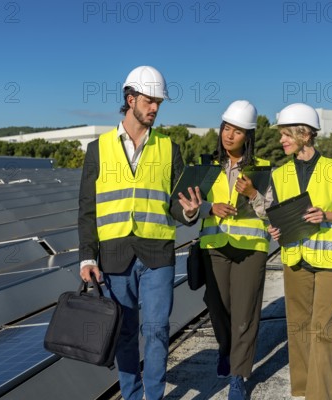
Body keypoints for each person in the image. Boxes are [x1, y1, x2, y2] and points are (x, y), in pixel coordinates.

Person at [77, 66, 201, 400]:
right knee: (125, 333)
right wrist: (87, 256)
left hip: (157, 253)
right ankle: (132, 395)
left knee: (158, 330)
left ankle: (155, 396)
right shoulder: (98, 149)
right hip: (114, 256)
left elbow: (176, 203)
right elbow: (87, 208)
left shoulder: (169, 148)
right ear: (130, 99)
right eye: (149, 101)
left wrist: (188, 212)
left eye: (159, 102)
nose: (155, 108)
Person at [265, 103, 332, 400]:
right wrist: (275, 230)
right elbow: (279, 215)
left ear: (304, 133)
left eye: (285, 135)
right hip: (295, 257)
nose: (282, 141)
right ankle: (301, 391)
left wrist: (325, 215)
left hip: (331, 258)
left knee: (324, 329)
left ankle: (320, 396)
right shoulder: (279, 174)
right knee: (299, 327)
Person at [197, 100, 271, 400]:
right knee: (219, 310)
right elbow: (188, 203)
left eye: (237, 131)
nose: (229, 135)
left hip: (250, 250)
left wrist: (253, 194)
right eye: (227, 128)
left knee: (244, 314)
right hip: (214, 246)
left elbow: (272, 211)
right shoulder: (206, 165)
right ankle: (225, 350)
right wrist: (208, 207)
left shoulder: (263, 169)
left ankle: (239, 374)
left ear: (248, 137)